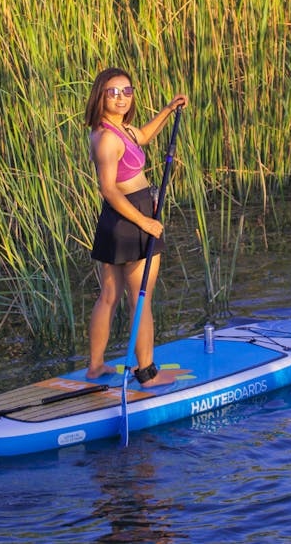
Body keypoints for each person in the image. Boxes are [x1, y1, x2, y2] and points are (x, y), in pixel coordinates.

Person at [85, 67, 188, 387]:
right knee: (139, 298)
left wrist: (169, 110)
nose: (120, 98)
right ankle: (146, 374)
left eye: (126, 92)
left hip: (118, 219)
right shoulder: (105, 139)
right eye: (113, 92)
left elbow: (142, 136)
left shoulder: (122, 130)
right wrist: (144, 220)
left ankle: (95, 366)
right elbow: (108, 188)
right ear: (100, 96)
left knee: (109, 295)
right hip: (130, 217)